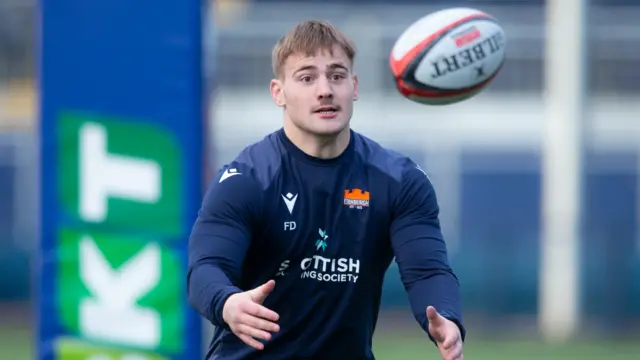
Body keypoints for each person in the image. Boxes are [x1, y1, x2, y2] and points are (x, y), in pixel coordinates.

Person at [187, 20, 465, 360]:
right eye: (306, 78)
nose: (325, 90)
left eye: (336, 76)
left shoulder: (398, 181)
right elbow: (205, 268)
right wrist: (227, 302)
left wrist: (446, 318)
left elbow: (427, 270)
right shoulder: (248, 179)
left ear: (354, 86)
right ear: (279, 92)